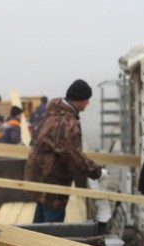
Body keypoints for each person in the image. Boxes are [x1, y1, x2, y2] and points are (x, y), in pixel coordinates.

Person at [24, 79, 108, 223]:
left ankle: (32, 244)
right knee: (51, 230)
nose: (88, 103)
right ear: (80, 100)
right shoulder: (66, 122)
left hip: (40, 177)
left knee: (39, 223)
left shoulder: (53, 114)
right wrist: (97, 172)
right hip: (53, 183)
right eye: (87, 100)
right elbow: (72, 155)